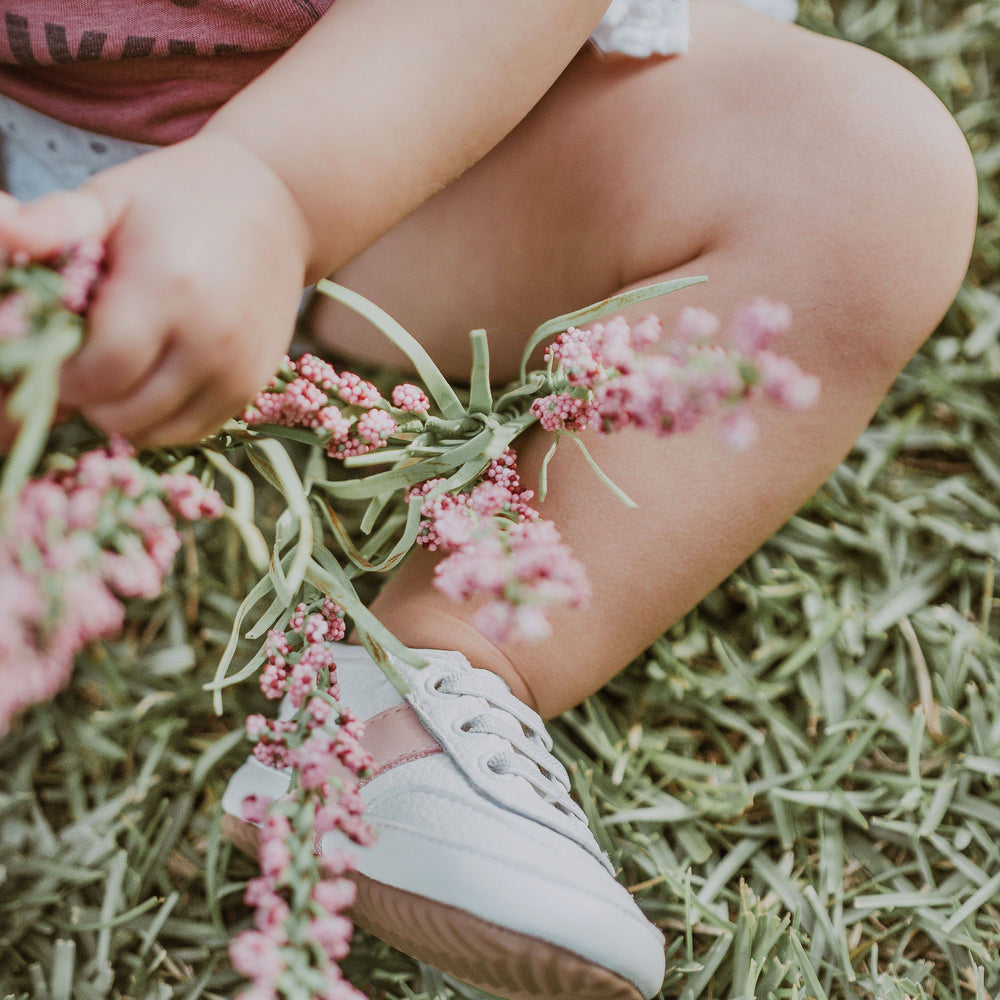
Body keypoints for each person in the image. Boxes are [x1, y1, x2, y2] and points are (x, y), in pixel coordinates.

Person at [0, 1, 977, 997]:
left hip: (434, 109)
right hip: (33, 136)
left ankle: (413, 695)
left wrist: (273, 192)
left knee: (860, 178)